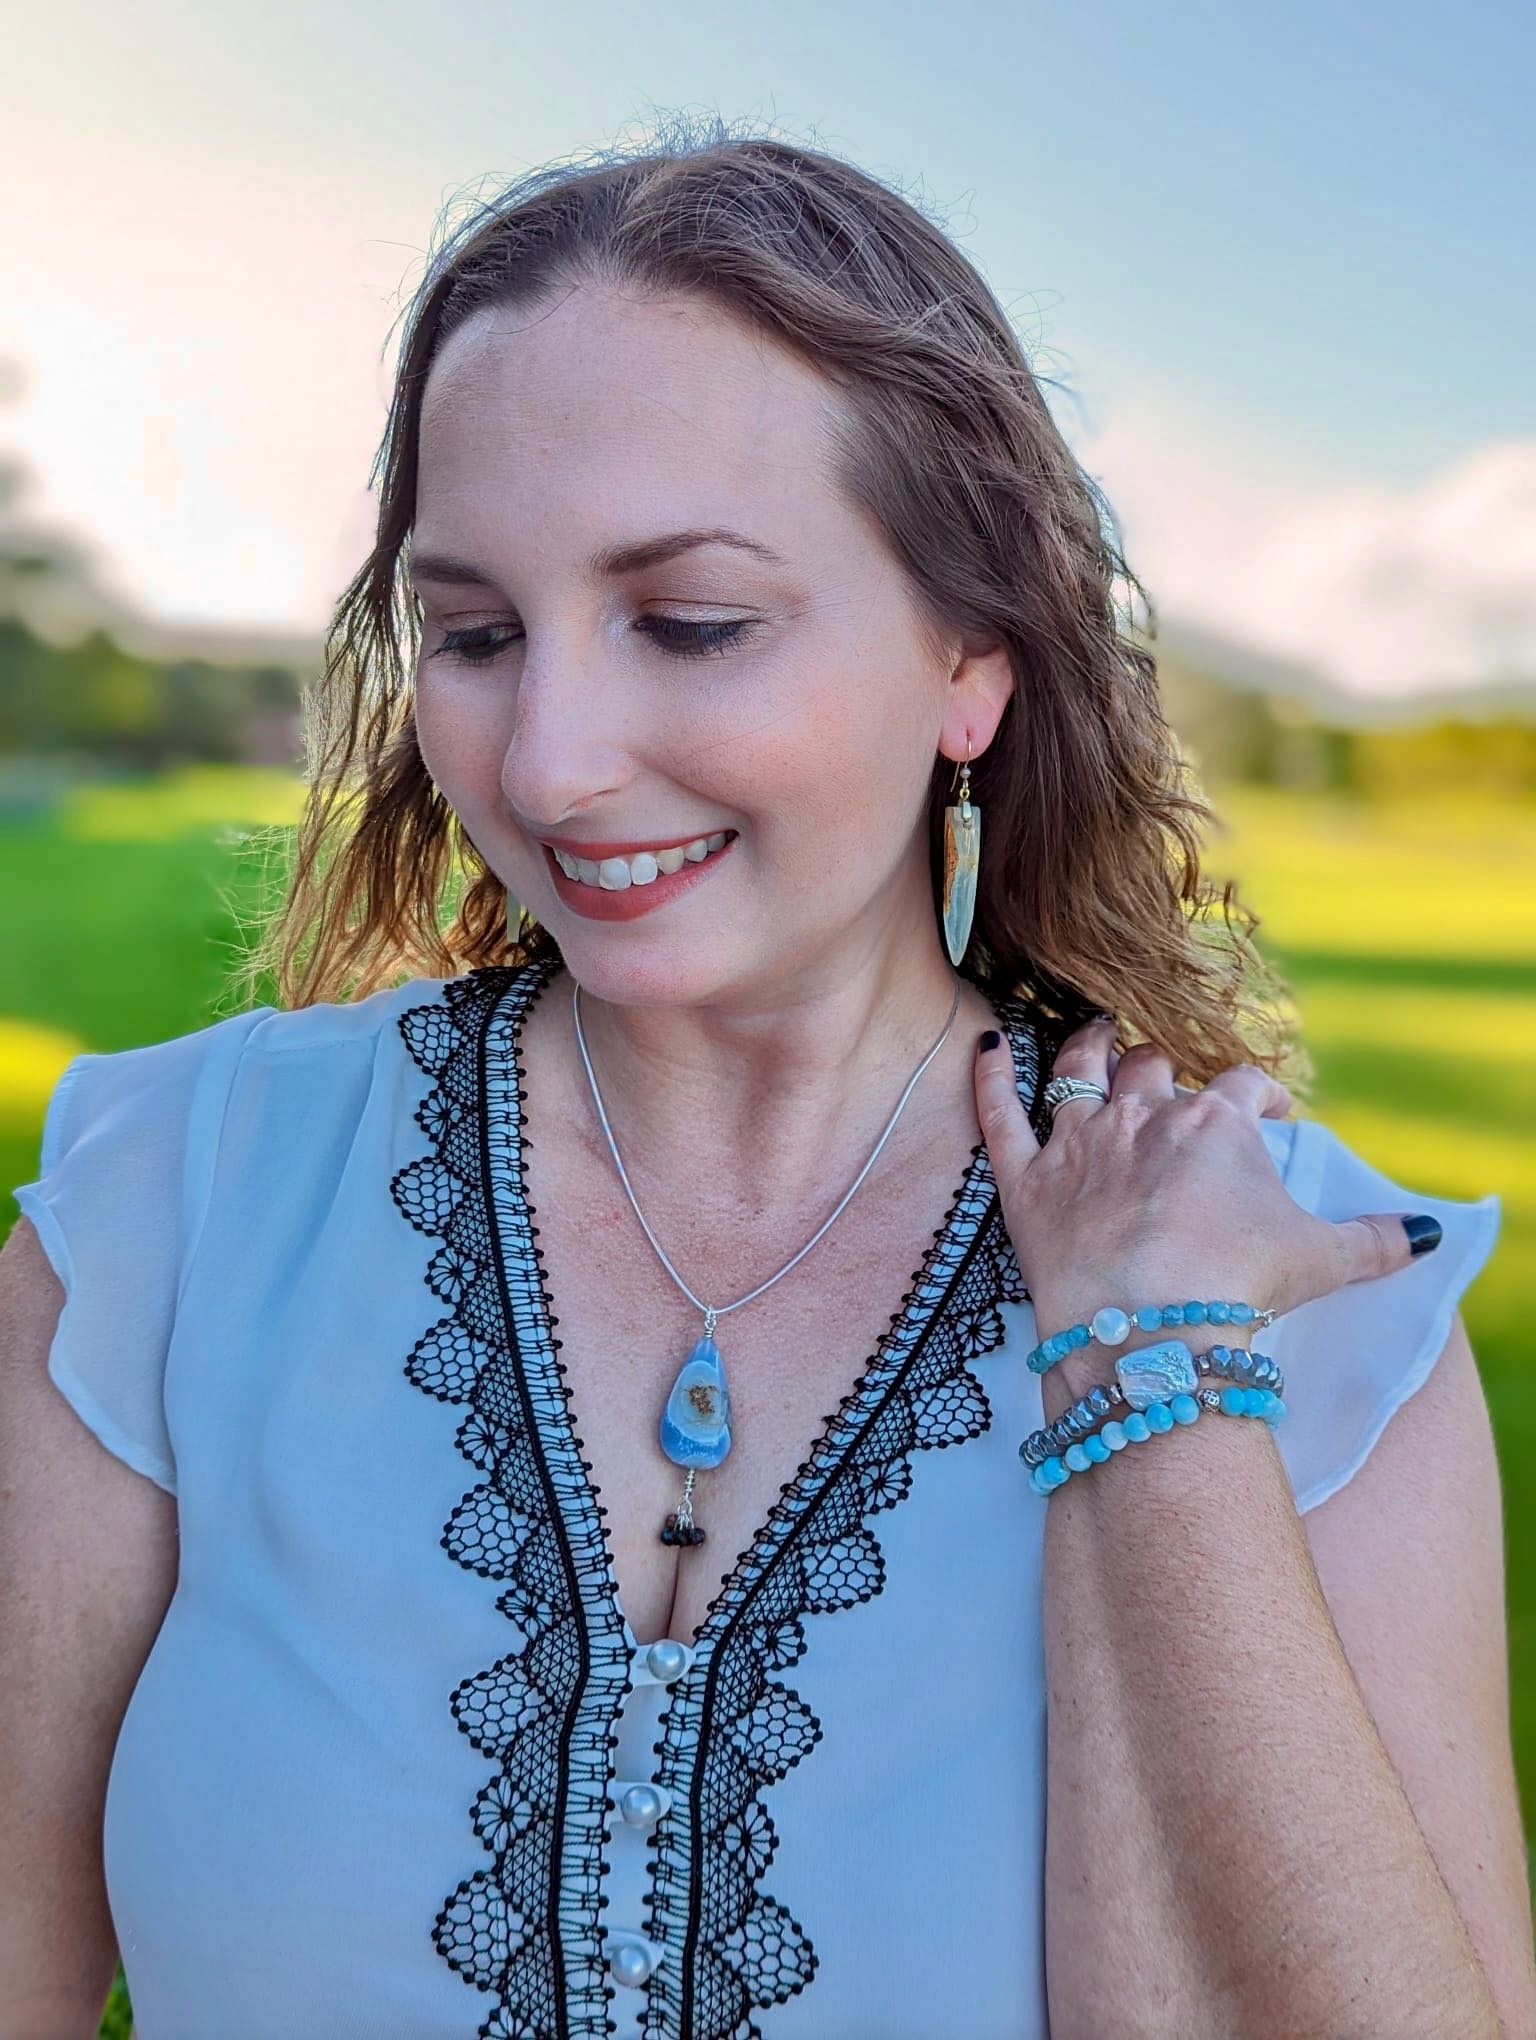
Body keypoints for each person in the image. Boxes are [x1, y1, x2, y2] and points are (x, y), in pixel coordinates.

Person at [3, 119, 1533, 2040]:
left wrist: (1160, 1387)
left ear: (972, 663)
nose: (549, 763)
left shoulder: (1323, 1306)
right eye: (472, 634)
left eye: (693, 623)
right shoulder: (168, 1213)